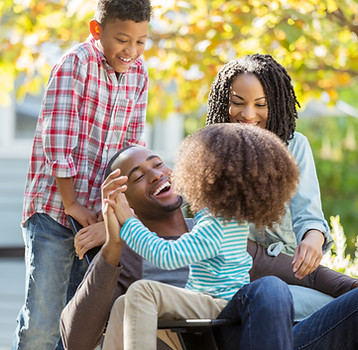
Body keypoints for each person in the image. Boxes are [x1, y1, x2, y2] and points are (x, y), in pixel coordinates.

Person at [61, 144, 358, 350]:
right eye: (138, 177)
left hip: (268, 339)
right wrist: (113, 244)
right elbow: (76, 340)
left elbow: (307, 273)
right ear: (124, 202)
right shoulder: (126, 254)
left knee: (270, 288)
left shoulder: (216, 229)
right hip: (207, 341)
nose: (155, 175)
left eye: (158, 164)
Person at [12, 0, 152, 349]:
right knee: (42, 324)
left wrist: (109, 220)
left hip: (95, 221)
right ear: (96, 30)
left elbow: (131, 152)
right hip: (55, 212)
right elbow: (57, 138)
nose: (131, 50)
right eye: (122, 39)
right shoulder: (76, 64)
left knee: (77, 326)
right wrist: (71, 202)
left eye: (140, 41)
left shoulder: (139, 75)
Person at [206, 53, 333, 280]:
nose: (248, 114)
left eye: (261, 105)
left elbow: (309, 216)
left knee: (345, 294)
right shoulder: (210, 149)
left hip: (287, 267)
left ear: (275, 105)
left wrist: (314, 237)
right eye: (237, 103)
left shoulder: (294, 147)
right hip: (231, 273)